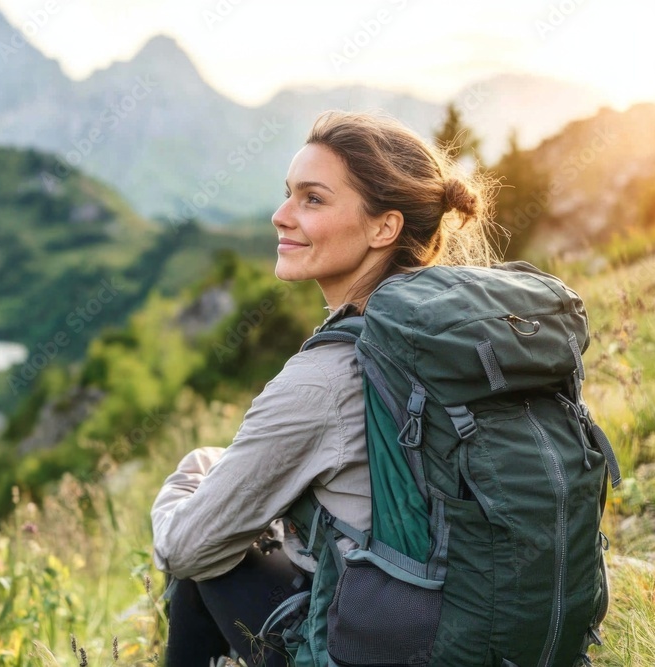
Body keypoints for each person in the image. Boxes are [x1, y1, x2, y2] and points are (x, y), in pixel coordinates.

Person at [150, 110, 500, 666]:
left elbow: (185, 548)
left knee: (205, 561)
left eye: (312, 199)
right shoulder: (466, 338)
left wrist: (190, 476)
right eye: (288, 194)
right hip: (483, 630)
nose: (281, 216)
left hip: (397, 646)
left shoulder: (323, 380)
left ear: (384, 228)